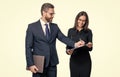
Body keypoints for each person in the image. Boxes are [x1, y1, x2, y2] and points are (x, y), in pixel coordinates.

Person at [25, 3, 82, 77]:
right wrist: (30, 64)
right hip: (38, 64)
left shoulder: (54, 27)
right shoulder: (32, 27)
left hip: (52, 63)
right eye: (51, 14)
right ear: (44, 13)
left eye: (53, 14)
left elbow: (63, 38)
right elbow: (28, 47)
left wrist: (75, 44)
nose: (53, 16)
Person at [66, 11, 93, 77]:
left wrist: (86, 44)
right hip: (74, 61)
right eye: (80, 20)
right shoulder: (70, 31)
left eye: (84, 21)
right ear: (77, 19)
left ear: (86, 22)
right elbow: (68, 47)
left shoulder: (88, 32)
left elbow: (90, 48)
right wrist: (68, 51)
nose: (81, 22)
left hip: (85, 62)